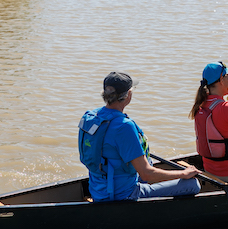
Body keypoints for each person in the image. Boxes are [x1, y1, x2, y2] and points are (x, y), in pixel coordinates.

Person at [79, 71, 200, 202]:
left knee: (148, 161)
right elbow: (146, 174)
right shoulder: (124, 126)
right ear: (128, 95)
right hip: (123, 195)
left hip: (98, 189)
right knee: (193, 184)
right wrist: (184, 173)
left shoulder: (93, 117)